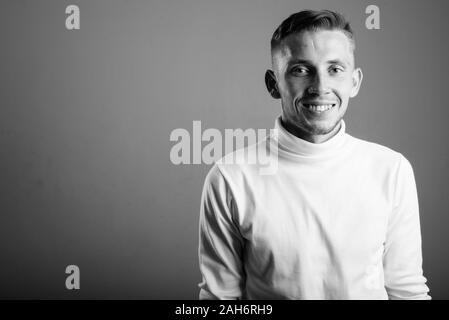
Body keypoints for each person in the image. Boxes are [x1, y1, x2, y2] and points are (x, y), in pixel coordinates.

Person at [197, 9, 430, 300]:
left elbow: (407, 291)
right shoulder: (230, 178)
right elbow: (220, 300)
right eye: (300, 70)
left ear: (354, 82)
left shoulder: (392, 169)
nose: (320, 87)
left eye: (335, 69)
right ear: (273, 84)